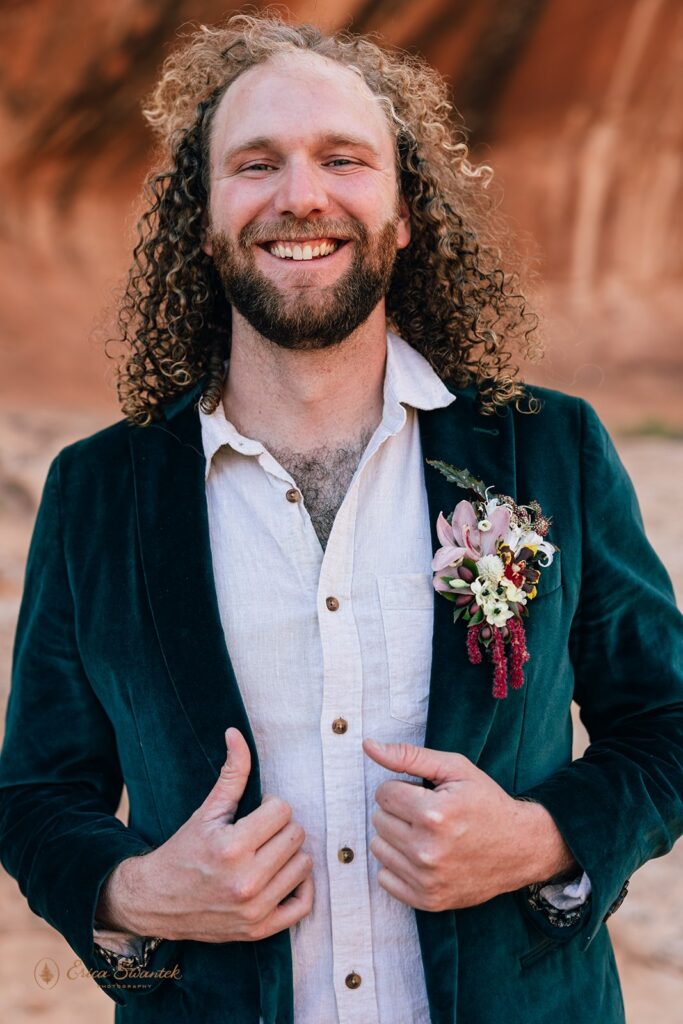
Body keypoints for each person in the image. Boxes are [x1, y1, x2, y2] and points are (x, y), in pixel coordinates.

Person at [1, 13, 681, 1024]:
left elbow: (661, 722)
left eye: (343, 158)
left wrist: (542, 836)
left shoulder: (550, 452)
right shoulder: (99, 493)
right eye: (255, 164)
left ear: (404, 209)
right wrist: (137, 891)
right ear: (203, 216)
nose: (300, 195)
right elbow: (36, 794)